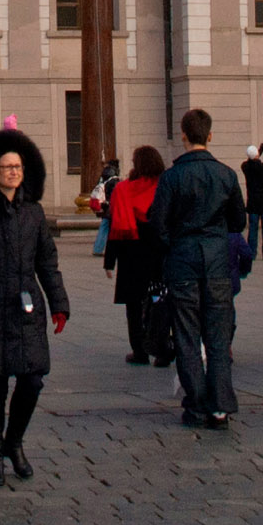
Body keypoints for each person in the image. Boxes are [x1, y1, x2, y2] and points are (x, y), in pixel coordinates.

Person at [0, 130, 70, 486]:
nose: (12, 172)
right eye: (6, 167)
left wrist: (59, 304)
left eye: (17, 166)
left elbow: (47, 264)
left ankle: (14, 442)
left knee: (32, 380)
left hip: (26, 305)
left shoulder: (33, 213)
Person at [147, 108, 247, 430]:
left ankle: (197, 403)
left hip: (183, 261)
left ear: (184, 135)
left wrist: (173, 245)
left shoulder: (172, 176)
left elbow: (157, 224)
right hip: (216, 261)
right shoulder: (227, 175)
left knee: (187, 336)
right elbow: (238, 221)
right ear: (210, 135)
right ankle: (220, 407)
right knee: (217, 336)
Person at [105, 146, 167, 364]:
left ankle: (139, 351)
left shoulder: (123, 190)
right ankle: (161, 350)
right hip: (158, 258)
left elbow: (114, 228)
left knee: (134, 306)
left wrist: (109, 262)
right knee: (158, 300)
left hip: (130, 258)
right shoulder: (164, 188)